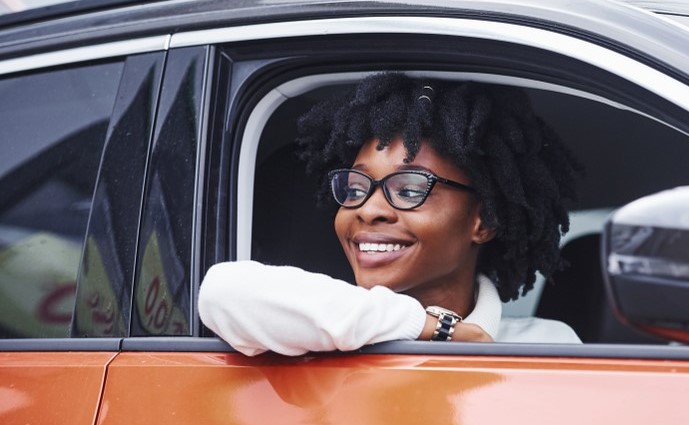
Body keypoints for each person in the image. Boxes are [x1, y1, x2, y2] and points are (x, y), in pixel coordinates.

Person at [198, 73, 582, 356]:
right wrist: (433, 329)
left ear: (485, 221)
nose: (368, 209)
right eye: (354, 189)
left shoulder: (547, 347)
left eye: (411, 189)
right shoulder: (306, 325)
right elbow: (222, 292)